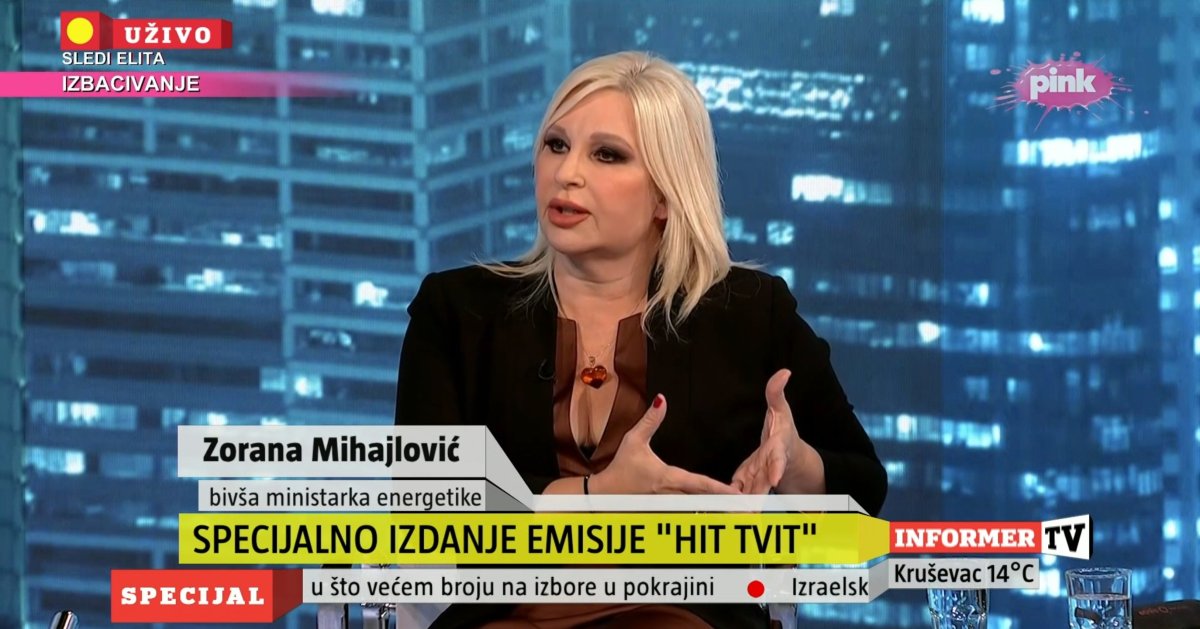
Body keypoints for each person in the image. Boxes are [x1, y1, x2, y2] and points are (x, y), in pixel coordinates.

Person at [395, 50, 887, 629]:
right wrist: (595, 497)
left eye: (607, 154)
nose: (567, 172)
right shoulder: (458, 309)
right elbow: (428, 507)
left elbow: (863, 491)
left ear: (665, 195)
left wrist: (794, 461)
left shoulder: (749, 313)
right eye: (556, 144)